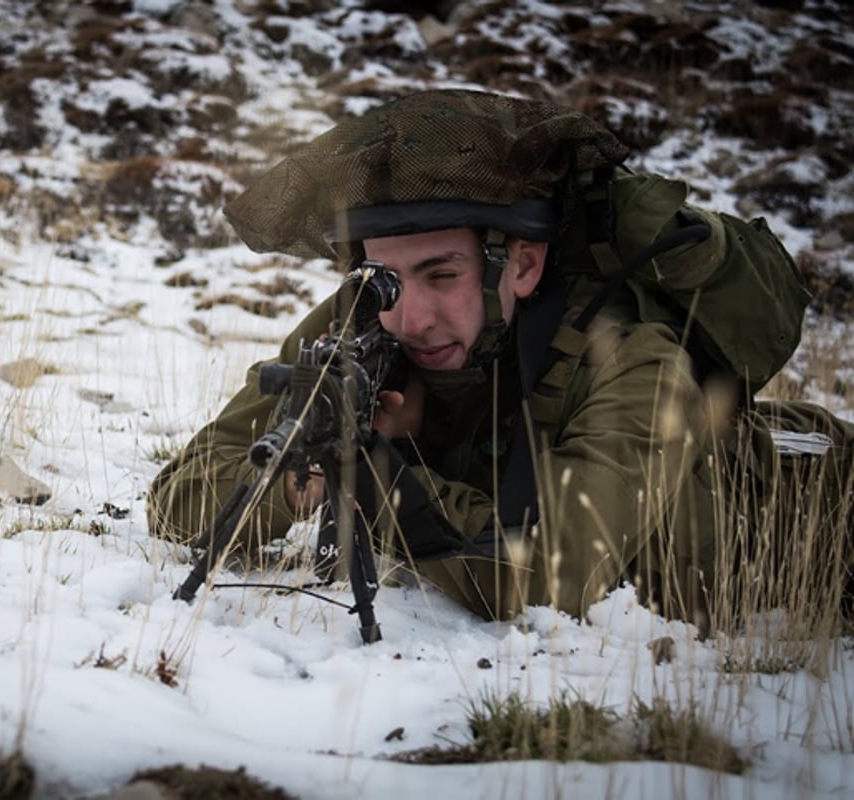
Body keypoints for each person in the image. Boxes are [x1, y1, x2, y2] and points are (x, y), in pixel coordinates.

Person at [147, 89, 854, 632]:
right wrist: (299, 481)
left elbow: (557, 576)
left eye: (441, 275)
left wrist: (381, 479)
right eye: (384, 279)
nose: (408, 316)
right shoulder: (365, 324)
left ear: (522, 262)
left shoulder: (630, 356)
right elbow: (176, 500)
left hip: (813, 514)